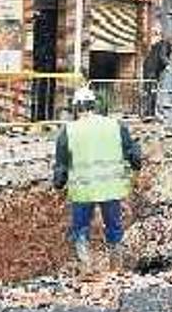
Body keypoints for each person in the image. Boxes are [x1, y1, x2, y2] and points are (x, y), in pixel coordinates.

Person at [53, 87, 142, 270]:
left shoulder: (68, 131)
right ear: (94, 105)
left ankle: (85, 265)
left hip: (82, 191)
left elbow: (60, 169)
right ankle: (116, 265)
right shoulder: (115, 126)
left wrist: (59, 184)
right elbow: (134, 155)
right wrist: (135, 168)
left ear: (76, 108)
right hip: (110, 188)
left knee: (81, 228)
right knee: (114, 226)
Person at [142, 24, 170, 118]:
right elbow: (162, 57)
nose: (155, 35)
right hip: (153, 72)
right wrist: (169, 65)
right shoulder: (162, 45)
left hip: (149, 71)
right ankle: (151, 113)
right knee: (152, 92)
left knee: (149, 92)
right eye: (155, 33)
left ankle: (149, 113)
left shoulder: (155, 46)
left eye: (156, 33)